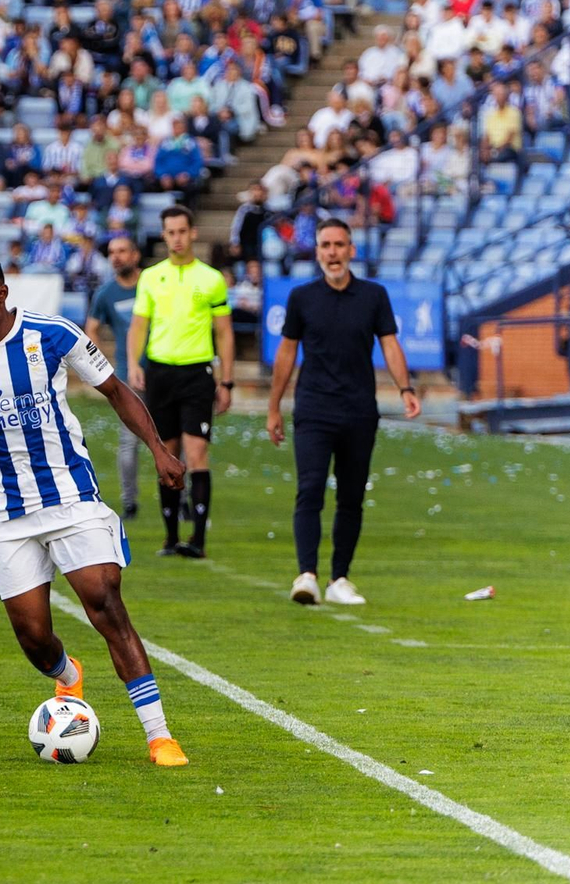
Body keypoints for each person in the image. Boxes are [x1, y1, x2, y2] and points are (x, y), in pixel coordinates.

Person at [0, 252, 190, 767]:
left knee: (104, 602)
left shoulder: (53, 334)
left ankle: (159, 736)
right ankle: (67, 676)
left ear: (2, 294)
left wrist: (158, 448)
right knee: (32, 637)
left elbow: (116, 390)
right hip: (4, 512)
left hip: (69, 497)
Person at [265, 219, 420, 606]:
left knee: (351, 497)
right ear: (316, 251)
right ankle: (307, 576)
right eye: (325, 245)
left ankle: (340, 578)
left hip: (359, 411)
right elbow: (286, 353)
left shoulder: (374, 296)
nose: (332, 252)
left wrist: (406, 389)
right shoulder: (302, 298)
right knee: (310, 490)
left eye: (339, 244)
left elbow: (390, 344)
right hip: (314, 409)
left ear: (352, 250)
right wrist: (274, 407)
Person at [126, 206, 233, 558]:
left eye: (182, 231)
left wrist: (227, 380)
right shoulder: (151, 277)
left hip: (197, 373)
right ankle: (171, 537)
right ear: (164, 235)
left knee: (198, 452)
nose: (176, 238)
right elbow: (139, 324)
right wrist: (133, 363)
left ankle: (198, 539)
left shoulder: (211, 279)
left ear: (193, 233)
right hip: (160, 373)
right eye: (170, 232)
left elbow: (224, 331)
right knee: (167, 455)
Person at [83, 235, 143, 519]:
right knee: (129, 440)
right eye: (111, 252)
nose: (116, 257)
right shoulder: (106, 293)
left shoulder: (152, 285)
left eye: (122, 251)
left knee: (172, 438)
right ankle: (129, 501)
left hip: (164, 370)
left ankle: (179, 499)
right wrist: (102, 365)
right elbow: (90, 329)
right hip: (128, 376)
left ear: (135, 255)